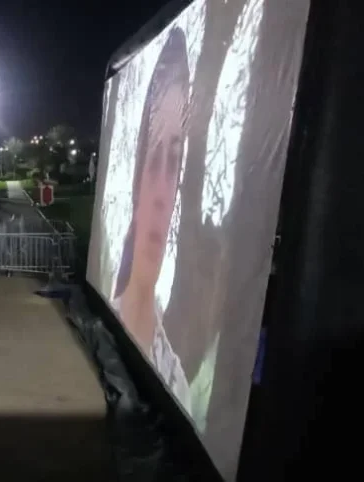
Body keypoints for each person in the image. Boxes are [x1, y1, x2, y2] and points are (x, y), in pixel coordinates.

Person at [108, 27, 208, 428]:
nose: (162, 194)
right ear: (135, 181)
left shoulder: (177, 383)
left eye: (175, 157)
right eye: (154, 157)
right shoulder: (110, 320)